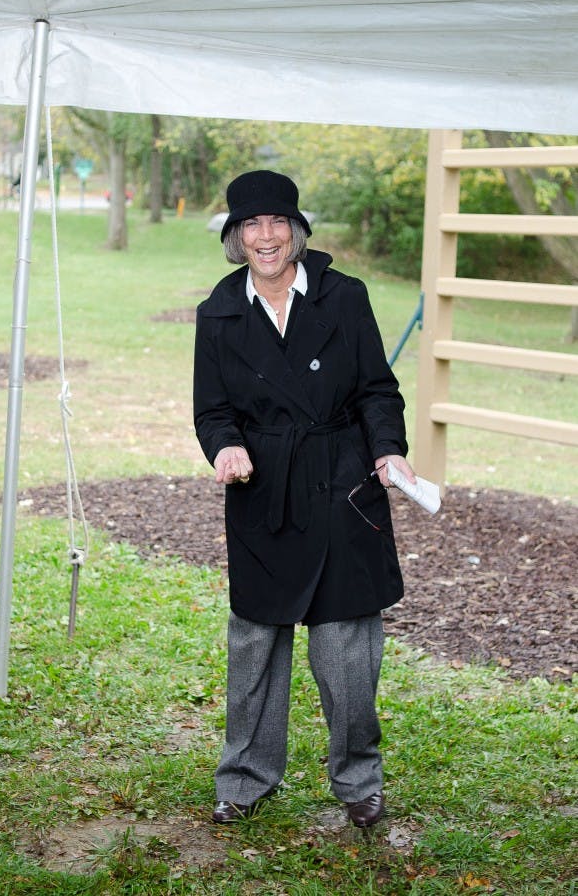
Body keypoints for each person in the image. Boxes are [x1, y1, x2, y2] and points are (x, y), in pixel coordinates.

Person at [193, 169, 416, 829]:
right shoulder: (220, 312)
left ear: (296, 228)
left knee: (347, 649)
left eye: (277, 222)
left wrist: (388, 447)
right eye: (252, 225)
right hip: (262, 487)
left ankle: (358, 781)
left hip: (343, 482)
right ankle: (245, 778)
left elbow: (377, 387)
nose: (267, 236)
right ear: (236, 237)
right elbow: (212, 410)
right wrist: (226, 448)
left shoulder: (345, 297)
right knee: (255, 643)